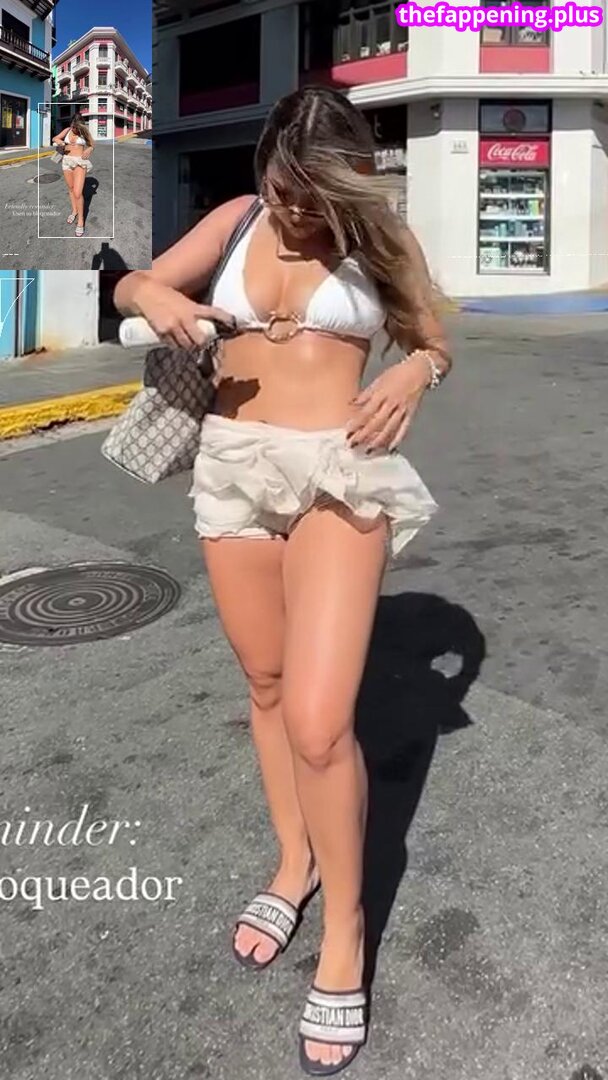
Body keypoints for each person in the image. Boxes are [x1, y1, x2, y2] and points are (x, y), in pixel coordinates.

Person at [114, 85, 452, 1076]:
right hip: (232, 470)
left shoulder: (377, 237)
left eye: (312, 196)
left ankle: (344, 930)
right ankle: (293, 861)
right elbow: (136, 284)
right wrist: (152, 297)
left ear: (345, 184)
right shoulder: (235, 219)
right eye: (279, 187)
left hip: (340, 476)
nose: (292, 210)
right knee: (264, 685)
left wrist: (413, 371)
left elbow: (432, 338)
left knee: (317, 721)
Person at [52, 115, 94, 237]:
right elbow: (55, 138)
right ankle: (74, 211)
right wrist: (58, 141)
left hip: (80, 163)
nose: (74, 129)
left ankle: (81, 220)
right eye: (73, 126)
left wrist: (89, 149)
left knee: (77, 193)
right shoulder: (67, 130)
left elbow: (92, 144)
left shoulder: (84, 132)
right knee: (70, 189)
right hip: (66, 162)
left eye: (76, 127)